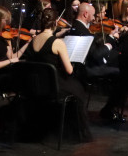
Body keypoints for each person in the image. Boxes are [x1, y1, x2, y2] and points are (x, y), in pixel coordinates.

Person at [23, 8, 93, 142]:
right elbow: (69, 70)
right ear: (55, 23)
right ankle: (72, 132)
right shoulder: (57, 43)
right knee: (78, 89)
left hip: (35, 85)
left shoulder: (33, 40)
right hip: (53, 85)